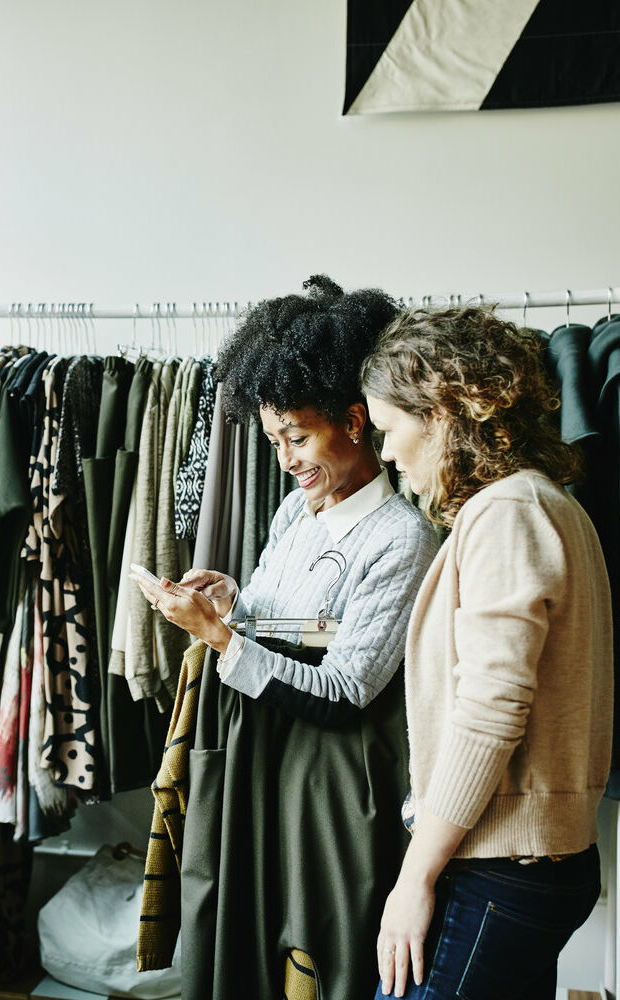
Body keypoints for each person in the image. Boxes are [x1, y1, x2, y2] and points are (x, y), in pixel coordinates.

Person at [132, 275, 440, 999]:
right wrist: (236, 604)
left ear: (357, 421)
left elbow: (346, 688)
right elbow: (306, 627)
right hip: (260, 760)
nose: (286, 460)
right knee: (243, 944)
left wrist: (225, 640)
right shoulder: (297, 513)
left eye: (297, 437)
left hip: (330, 785)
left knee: (317, 957)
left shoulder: (401, 538)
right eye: (274, 441)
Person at [361, 306, 613, 999]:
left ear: (442, 410)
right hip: (528, 864)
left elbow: (492, 707)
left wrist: (415, 878)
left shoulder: (508, 512)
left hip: (500, 864)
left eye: (389, 429)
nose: (385, 454)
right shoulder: (547, 502)